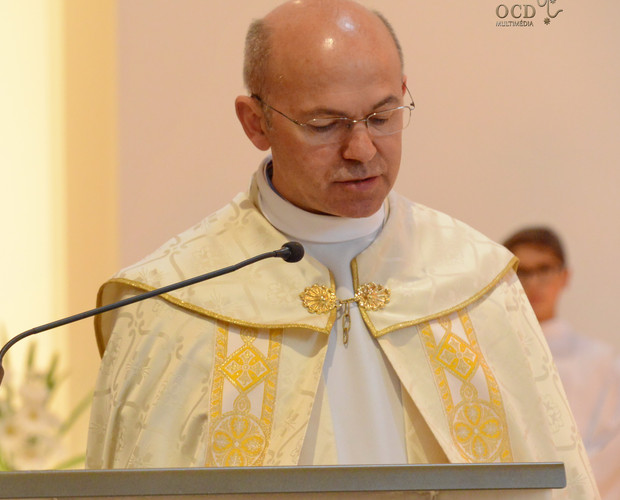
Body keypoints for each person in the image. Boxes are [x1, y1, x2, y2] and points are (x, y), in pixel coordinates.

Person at [86, 1, 598, 497]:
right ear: (255, 122)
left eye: (382, 116)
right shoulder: (170, 302)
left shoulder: (475, 281)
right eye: (324, 124)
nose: (362, 149)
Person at [505, 227, 620, 498]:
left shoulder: (601, 360)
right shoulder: (488, 359)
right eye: (521, 272)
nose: (533, 283)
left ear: (565, 276)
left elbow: (611, 448)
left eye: (544, 269)